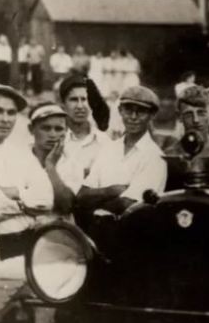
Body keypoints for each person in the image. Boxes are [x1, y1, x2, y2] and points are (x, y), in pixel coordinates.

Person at [0, 85, 53, 259]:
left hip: (28, 242)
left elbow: (46, 199)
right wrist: (24, 205)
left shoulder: (21, 153)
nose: (5, 119)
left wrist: (13, 194)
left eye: (11, 113)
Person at [76, 85, 167, 217]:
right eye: (128, 110)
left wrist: (95, 200)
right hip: (97, 232)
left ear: (151, 115)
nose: (133, 117)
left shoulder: (155, 157)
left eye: (141, 111)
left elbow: (127, 205)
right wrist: (111, 191)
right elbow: (81, 196)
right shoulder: (108, 148)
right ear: (120, 111)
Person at [57, 73, 111, 194]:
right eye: (73, 100)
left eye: (85, 99)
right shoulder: (53, 139)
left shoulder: (104, 142)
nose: (80, 106)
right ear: (63, 105)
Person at [28, 103, 76, 216]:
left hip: (57, 229)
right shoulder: (18, 158)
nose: (53, 135)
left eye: (58, 129)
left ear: (66, 131)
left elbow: (67, 206)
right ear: (31, 129)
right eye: (46, 128)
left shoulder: (72, 163)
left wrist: (51, 167)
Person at [161, 84, 209, 157]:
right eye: (188, 114)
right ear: (179, 117)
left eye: (201, 113)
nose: (196, 120)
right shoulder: (171, 154)